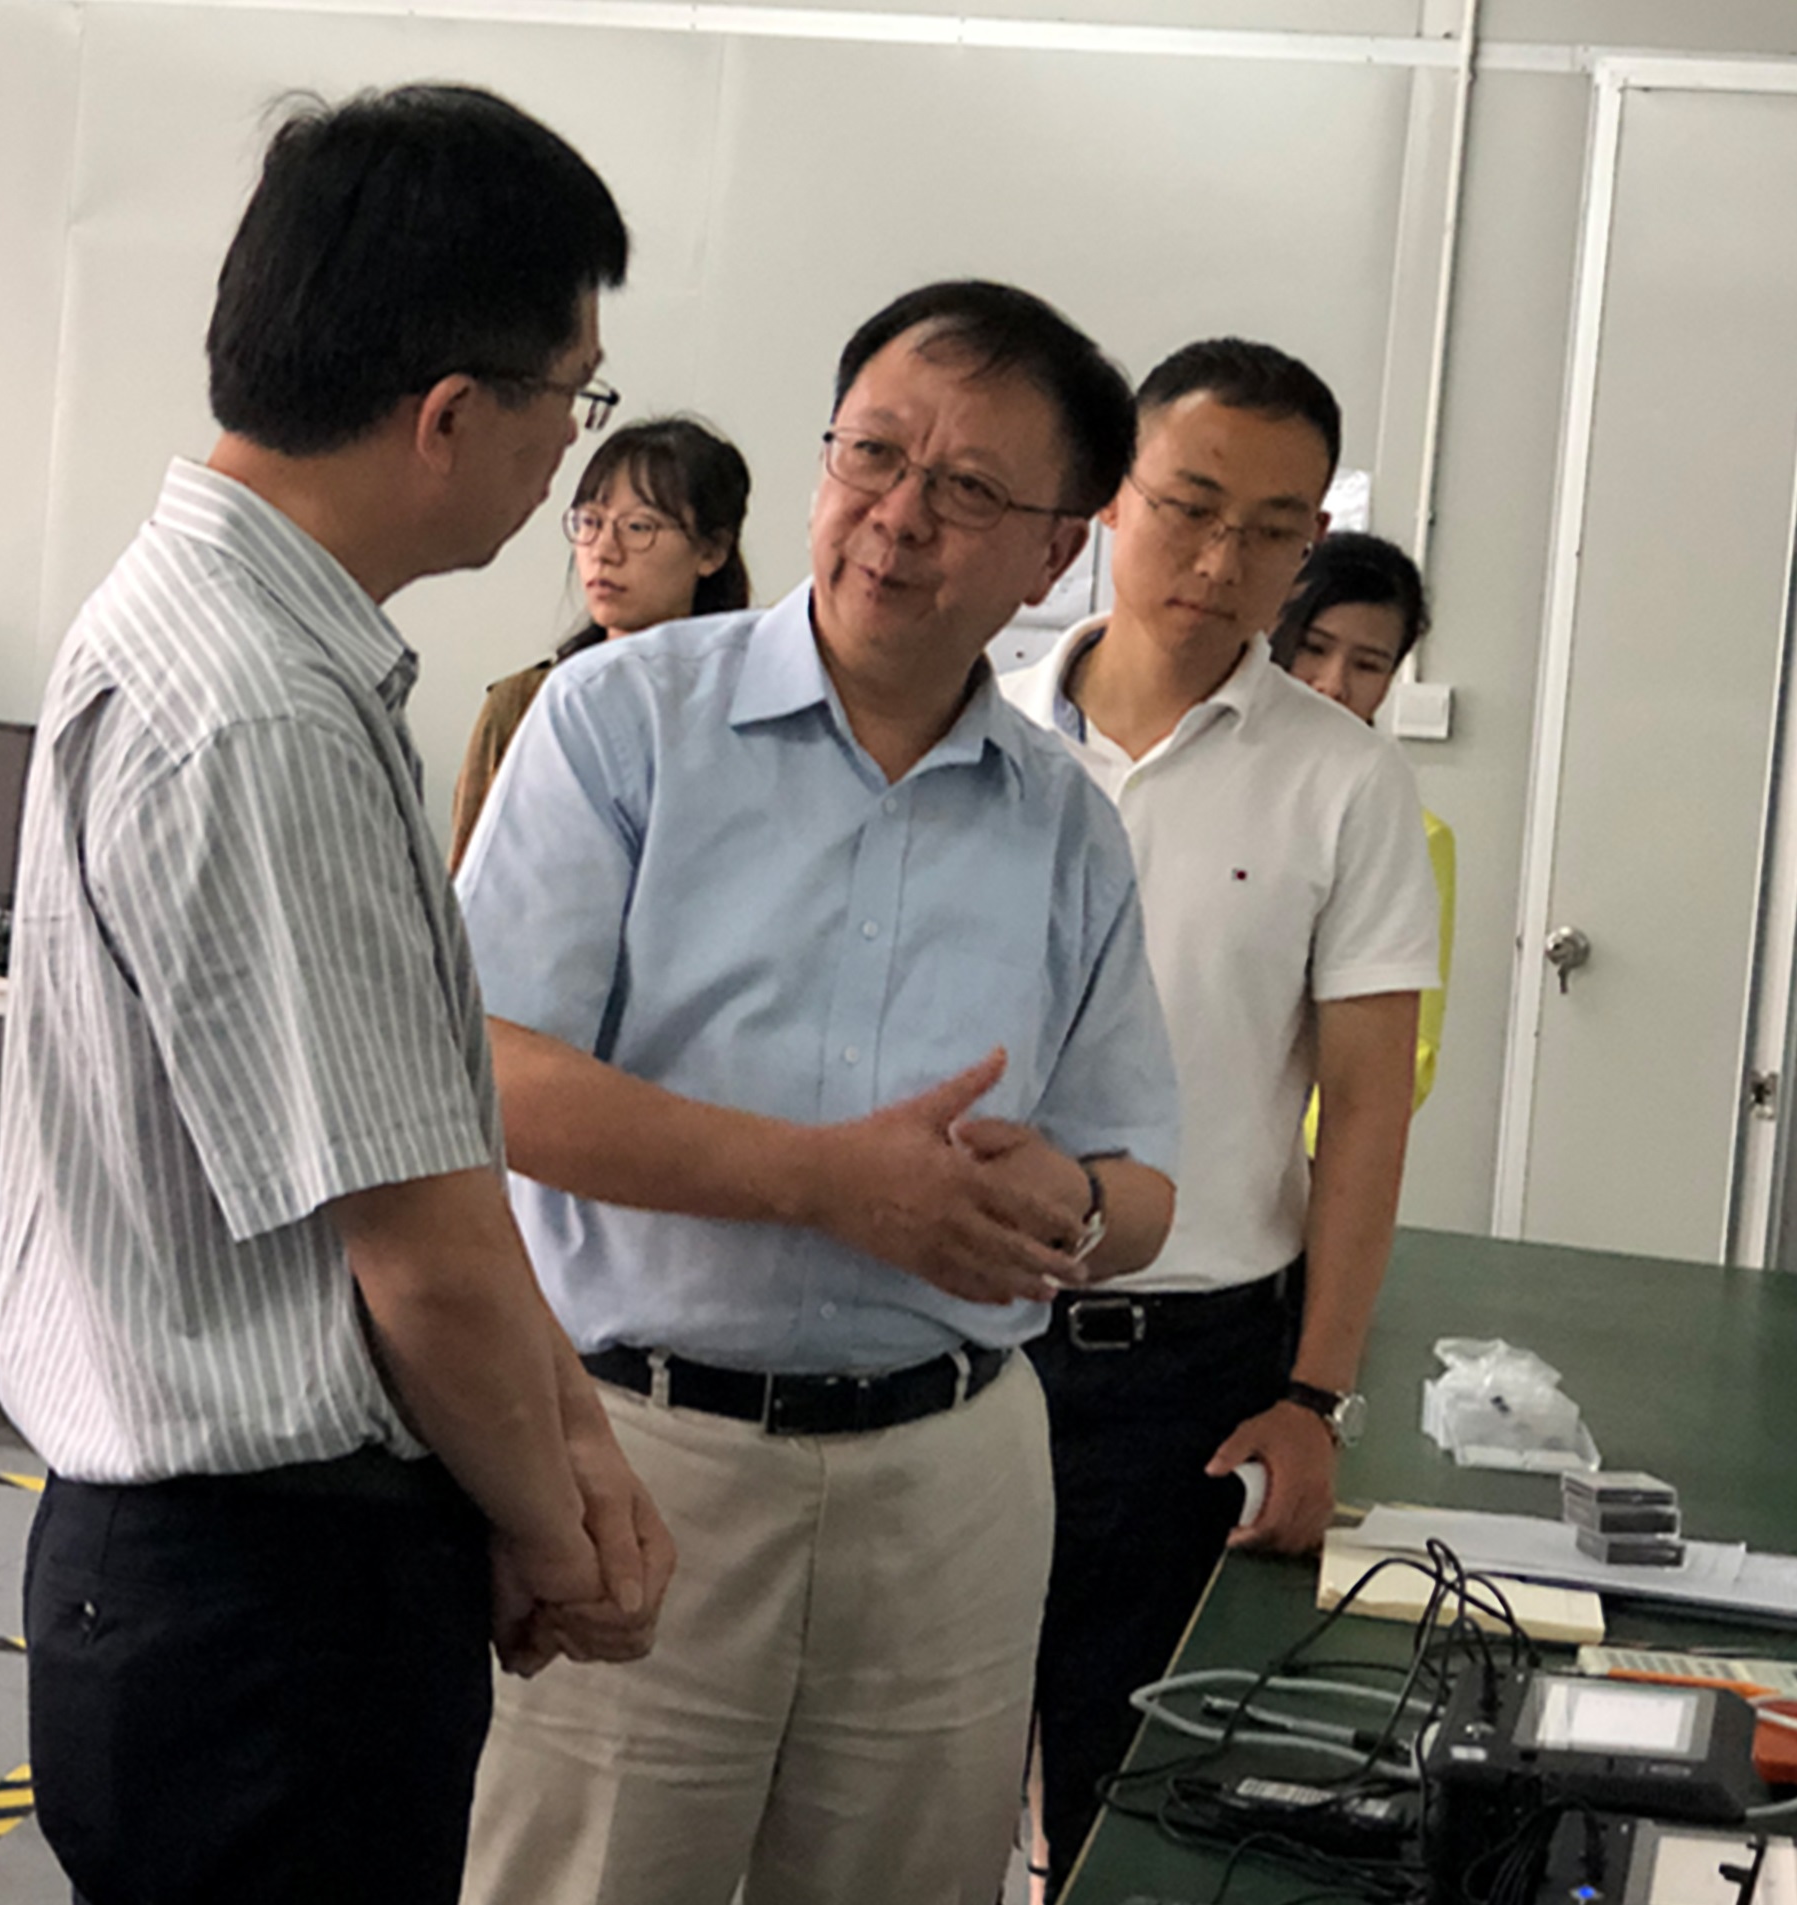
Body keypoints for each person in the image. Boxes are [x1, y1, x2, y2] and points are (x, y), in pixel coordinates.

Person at [0, 85, 673, 1905]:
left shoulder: (248, 644)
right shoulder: (258, 712)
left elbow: (431, 1160)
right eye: (570, 400)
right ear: (452, 415)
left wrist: (564, 1454)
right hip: (263, 1606)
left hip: (247, 1585)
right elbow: (419, 1253)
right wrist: (556, 1531)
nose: (569, 462)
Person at [454, 279, 1180, 1905]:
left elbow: (1139, 1187)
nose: (899, 516)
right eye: (872, 454)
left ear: (1052, 552)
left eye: (970, 490)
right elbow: (487, 1077)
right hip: (642, 1451)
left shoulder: (1063, 825)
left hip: (952, 1484)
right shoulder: (619, 725)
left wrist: (1053, 1209)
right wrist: (824, 1181)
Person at [1001, 338, 1440, 1891]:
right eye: (1188, 503)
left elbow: (1366, 1113)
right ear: (1110, 495)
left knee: (1134, 1807)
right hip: (919, 1345)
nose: (1220, 556)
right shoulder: (976, 726)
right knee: (888, 1784)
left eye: (1273, 527)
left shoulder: (1343, 784)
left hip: (1176, 1373)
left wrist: (1315, 1398)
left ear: (1310, 543)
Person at [448, 416, 753, 869]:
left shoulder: (753, 713)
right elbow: (465, 898)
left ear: (712, 551)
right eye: (590, 521)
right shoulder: (520, 706)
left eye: (638, 527)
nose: (604, 550)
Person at [1270, 531, 1456, 1132]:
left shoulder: (1415, 834)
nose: (1332, 683)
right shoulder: (1196, 777)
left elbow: (1409, 1050)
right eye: (1314, 648)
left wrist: (1299, 1159)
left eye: (1368, 664)